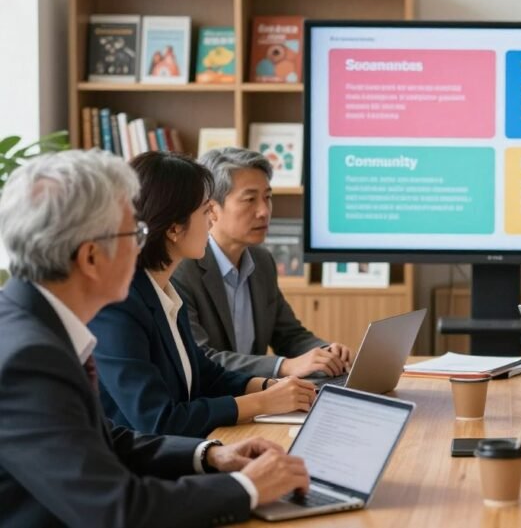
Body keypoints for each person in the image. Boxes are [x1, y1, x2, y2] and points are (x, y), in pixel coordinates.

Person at [0, 150, 309, 526]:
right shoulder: (26, 359)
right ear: (91, 257)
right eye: (136, 233)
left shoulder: (33, 325)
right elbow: (117, 509)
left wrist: (210, 455)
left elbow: (103, 438)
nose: (142, 245)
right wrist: (247, 488)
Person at [89, 151, 317, 438]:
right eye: (205, 211)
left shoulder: (163, 289)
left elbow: (205, 373)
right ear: (174, 228)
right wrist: (262, 401)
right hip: (138, 469)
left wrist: (267, 386)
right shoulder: (117, 305)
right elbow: (159, 420)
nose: (212, 221)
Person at [172, 147, 351, 378]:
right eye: (250, 200)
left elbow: (289, 335)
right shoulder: (183, 270)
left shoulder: (262, 261)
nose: (264, 211)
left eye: (267, 197)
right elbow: (200, 358)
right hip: (214, 404)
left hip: (259, 398)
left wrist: (327, 352)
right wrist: (283, 367)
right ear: (212, 209)